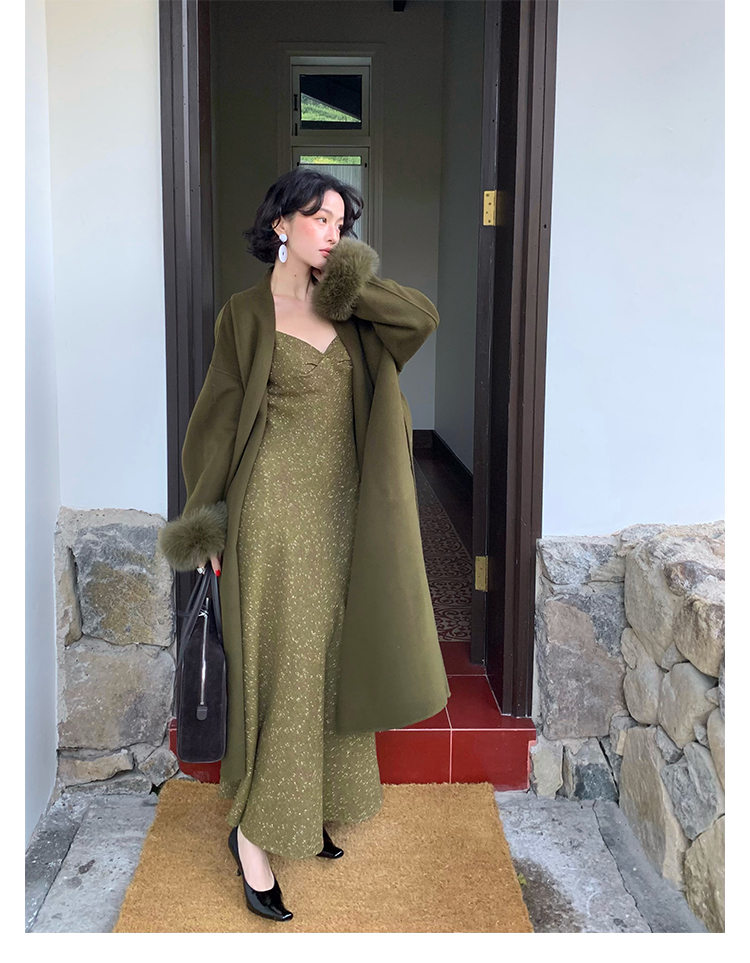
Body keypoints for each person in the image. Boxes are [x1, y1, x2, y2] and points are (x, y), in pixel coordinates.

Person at [158, 167, 448, 923]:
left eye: (342, 223)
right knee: (284, 665)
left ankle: (307, 805)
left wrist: (347, 279)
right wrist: (207, 519)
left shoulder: (351, 307)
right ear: (280, 223)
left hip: (347, 512)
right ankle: (254, 835)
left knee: (330, 657)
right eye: (319, 218)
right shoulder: (245, 313)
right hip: (273, 518)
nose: (332, 232)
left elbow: (420, 320)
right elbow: (216, 421)